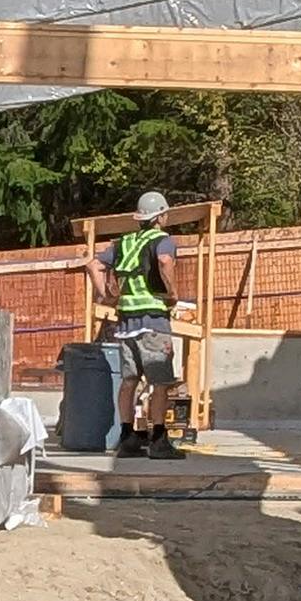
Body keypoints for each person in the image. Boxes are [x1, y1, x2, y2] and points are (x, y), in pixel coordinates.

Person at [107, 190, 186, 455]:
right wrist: (173, 293)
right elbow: (164, 261)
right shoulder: (162, 240)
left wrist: (109, 295)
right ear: (161, 216)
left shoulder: (124, 242)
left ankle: (128, 437)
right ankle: (159, 439)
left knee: (129, 381)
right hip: (153, 320)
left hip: (126, 322)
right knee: (160, 382)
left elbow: (94, 265)